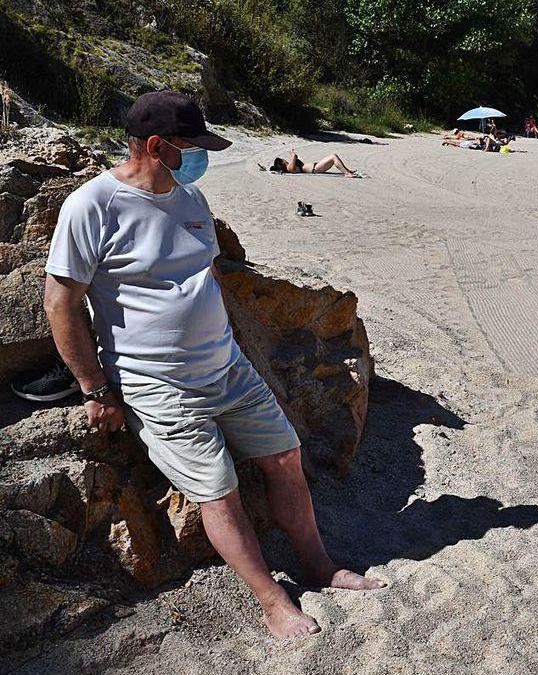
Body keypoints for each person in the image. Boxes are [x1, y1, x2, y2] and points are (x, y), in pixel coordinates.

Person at [43, 92, 385, 640]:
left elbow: (206, 278)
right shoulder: (93, 206)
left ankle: (319, 566)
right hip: (156, 383)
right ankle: (272, 600)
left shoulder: (190, 198)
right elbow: (61, 303)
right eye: (191, 146)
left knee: (286, 456)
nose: (200, 156)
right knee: (217, 490)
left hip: (227, 368)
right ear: (156, 146)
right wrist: (94, 388)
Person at [270, 149, 358, 177]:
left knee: (333, 157)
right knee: (333, 156)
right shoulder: (289, 167)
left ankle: (347, 170)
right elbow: (294, 157)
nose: (285, 160)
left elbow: (295, 158)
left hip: (316, 166)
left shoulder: (289, 166)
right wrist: (292, 154)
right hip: (315, 169)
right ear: (282, 162)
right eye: (283, 160)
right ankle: (346, 173)